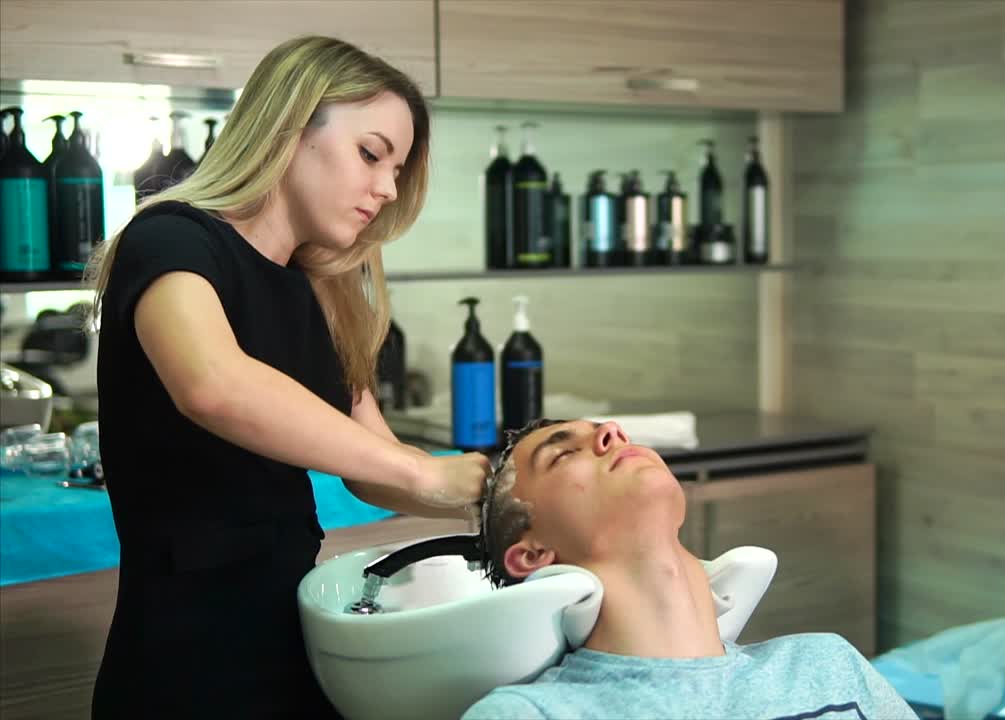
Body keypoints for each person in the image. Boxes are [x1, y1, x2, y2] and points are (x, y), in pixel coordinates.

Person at [85, 36, 491, 719]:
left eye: (397, 169)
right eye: (371, 154)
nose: (387, 189)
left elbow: (375, 469)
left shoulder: (321, 289)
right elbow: (215, 385)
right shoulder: (171, 241)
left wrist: (504, 497)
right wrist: (428, 475)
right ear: (290, 127)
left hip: (295, 642)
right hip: (184, 666)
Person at [463, 419, 918, 720]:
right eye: (562, 455)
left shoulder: (828, 665)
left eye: (608, 431)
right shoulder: (531, 715)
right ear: (533, 554)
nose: (612, 434)